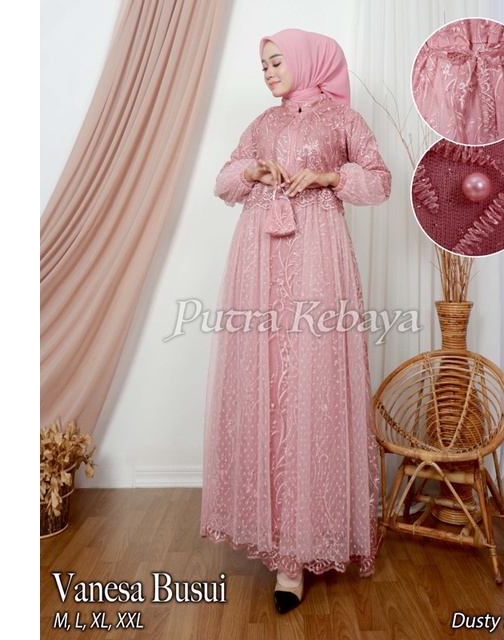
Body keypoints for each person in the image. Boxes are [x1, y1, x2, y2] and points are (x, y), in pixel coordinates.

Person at [200, 28, 391, 614]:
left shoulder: (342, 120)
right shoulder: (263, 122)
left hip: (317, 261)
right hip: (260, 262)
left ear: (306, 61)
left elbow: (380, 181)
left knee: (313, 387)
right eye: (263, 66)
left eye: (277, 62)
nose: (269, 73)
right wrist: (254, 172)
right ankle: (276, 532)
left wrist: (331, 178)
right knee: (268, 387)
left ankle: (302, 550)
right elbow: (222, 181)